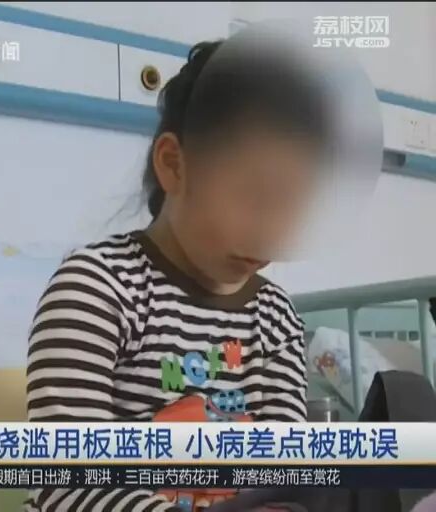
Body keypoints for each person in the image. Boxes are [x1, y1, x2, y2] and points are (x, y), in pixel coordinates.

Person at [24, 39, 330, 512]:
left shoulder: (275, 316)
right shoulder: (97, 288)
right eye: (253, 195)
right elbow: (67, 482)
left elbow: (281, 477)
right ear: (174, 165)